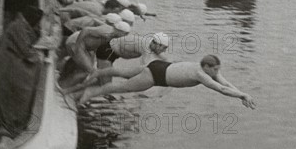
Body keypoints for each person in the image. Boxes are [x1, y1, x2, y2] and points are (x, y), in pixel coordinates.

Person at [76, 54, 256, 109]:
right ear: (207, 67)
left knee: (123, 72)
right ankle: (90, 92)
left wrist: (242, 94)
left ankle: (96, 73)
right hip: (157, 76)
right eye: (215, 70)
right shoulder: (201, 74)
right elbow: (221, 90)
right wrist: (241, 95)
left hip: (159, 65)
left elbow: (226, 84)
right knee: (122, 87)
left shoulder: (206, 69)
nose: (217, 72)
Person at [0, 6, 45, 137]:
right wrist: (37, 57)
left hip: (11, 58)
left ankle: (9, 121)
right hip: (4, 60)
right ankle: (8, 122)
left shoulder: (22, 25)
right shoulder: (17, 27)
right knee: (22, 84)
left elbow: (30, 43)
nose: (38, 24)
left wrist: (37, 32)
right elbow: (26, 50)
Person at [63, 32, 170, 94]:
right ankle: (69, 90)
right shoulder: (145, 47)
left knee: (102, 82)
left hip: (110, 52)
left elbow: (159, 56)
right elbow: (145, 68)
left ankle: (73, 89)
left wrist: (170, 64)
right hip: (107, 52)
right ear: (157, 44)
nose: (164, 51)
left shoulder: (149, 44)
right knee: (104, 85)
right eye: (164, 48)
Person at [59, 21, 131, 89]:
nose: (125, 36)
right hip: (76, 43)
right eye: (125, 34)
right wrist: (78, 45)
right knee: (88, 72)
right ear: (119, 31)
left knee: (84, 68)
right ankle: (64, 87)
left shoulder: (113, 36)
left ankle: (63, 83)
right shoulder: (107, 32)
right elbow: (86, 30)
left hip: (85, 48)